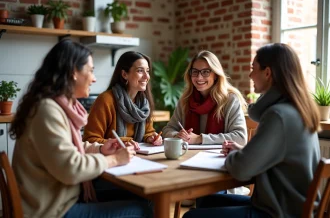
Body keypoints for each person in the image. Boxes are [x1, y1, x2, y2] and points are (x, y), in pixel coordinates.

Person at [9, 39, 153, 218]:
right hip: (52, 210)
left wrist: (101, 148)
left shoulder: (53, 106)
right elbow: (72, 168)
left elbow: (69, 148)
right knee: (143, 210)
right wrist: (114, 160)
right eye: (91, 71)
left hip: (59, 198)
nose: (94, 78)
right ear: (73, 73)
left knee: (144, 197)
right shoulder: (47, 111)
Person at [183, 43, 321, 218]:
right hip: (283, 205)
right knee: (206, 200)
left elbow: (241, 169)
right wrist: (243, 152)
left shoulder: (278, 115)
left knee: (190, 217)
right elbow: (276, 157)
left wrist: (237, 156)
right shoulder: (296, 109)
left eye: (253, 68)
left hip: (278, 212)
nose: (250, 75)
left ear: (268, 73)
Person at [162, 50, 248, 200]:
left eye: (205, 72)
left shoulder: (229, 100)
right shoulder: (185, 101)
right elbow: (167, 130)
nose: (199, 77)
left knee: (206, 199)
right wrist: (178, 135)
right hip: (189, 168)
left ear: (215, 74)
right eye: (195, 72)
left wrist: (199, 139)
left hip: (221, 174)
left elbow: (240, 138)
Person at [83, 51, 162, 147]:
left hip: (138, 157)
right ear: (124, 74)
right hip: (112, 159)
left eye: (147, 71)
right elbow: (90, 140)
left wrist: (151, 137)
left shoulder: (143, 103)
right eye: (140, 71)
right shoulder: (106, 100)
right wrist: (121, 143)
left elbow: (148, 132)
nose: (146, 76)